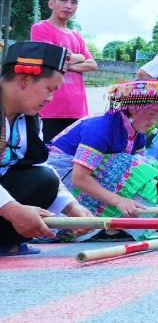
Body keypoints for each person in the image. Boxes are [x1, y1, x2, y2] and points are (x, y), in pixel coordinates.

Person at [48, 80, 158, 230]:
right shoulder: (101, 128)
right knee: (128, 162)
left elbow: (138, 177)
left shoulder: (137, 133)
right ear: (132, 108)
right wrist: (118, 201)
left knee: (148, 164)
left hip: (83, 178)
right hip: (60, 179)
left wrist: (154, 202)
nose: (153, 121)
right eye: (150, 114)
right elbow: (79, 178)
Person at [0, 42, 92, 256]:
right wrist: (11, 209)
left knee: (44, 180)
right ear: (24, 79)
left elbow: (40, 166)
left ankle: (5, 243)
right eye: (49, 89)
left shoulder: (30, 120)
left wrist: (72, 208)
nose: (50, 98)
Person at [31, 0, 98, 143]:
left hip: (78, 108)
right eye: (63, 0)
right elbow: (48, 58)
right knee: (49, 152)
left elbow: (93, 64)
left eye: (74, 2)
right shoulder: (40, 28)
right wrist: (79, 57)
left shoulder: (77, 36)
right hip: (50, 107)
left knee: (71, 154)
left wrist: (62, 63)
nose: (69, 5)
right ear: (51, 4)